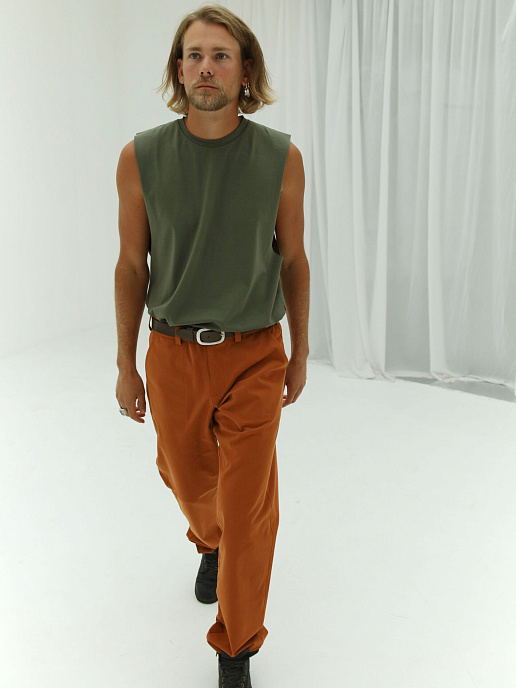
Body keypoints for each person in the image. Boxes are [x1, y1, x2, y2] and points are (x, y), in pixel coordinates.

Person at [114, 5, 309, 687]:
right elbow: (130, 264)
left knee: (250, 505)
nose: (206, 67)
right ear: (178, 69)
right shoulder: (140, 157)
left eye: (221, 55)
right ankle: (208, 540)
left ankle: (236, 647)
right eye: (194, 55)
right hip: (172, 353)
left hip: (255, 353)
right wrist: (124, 364)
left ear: (245, 70)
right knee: (189, 479)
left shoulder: (281, 158)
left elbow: (293, 260)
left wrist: (302, 352)